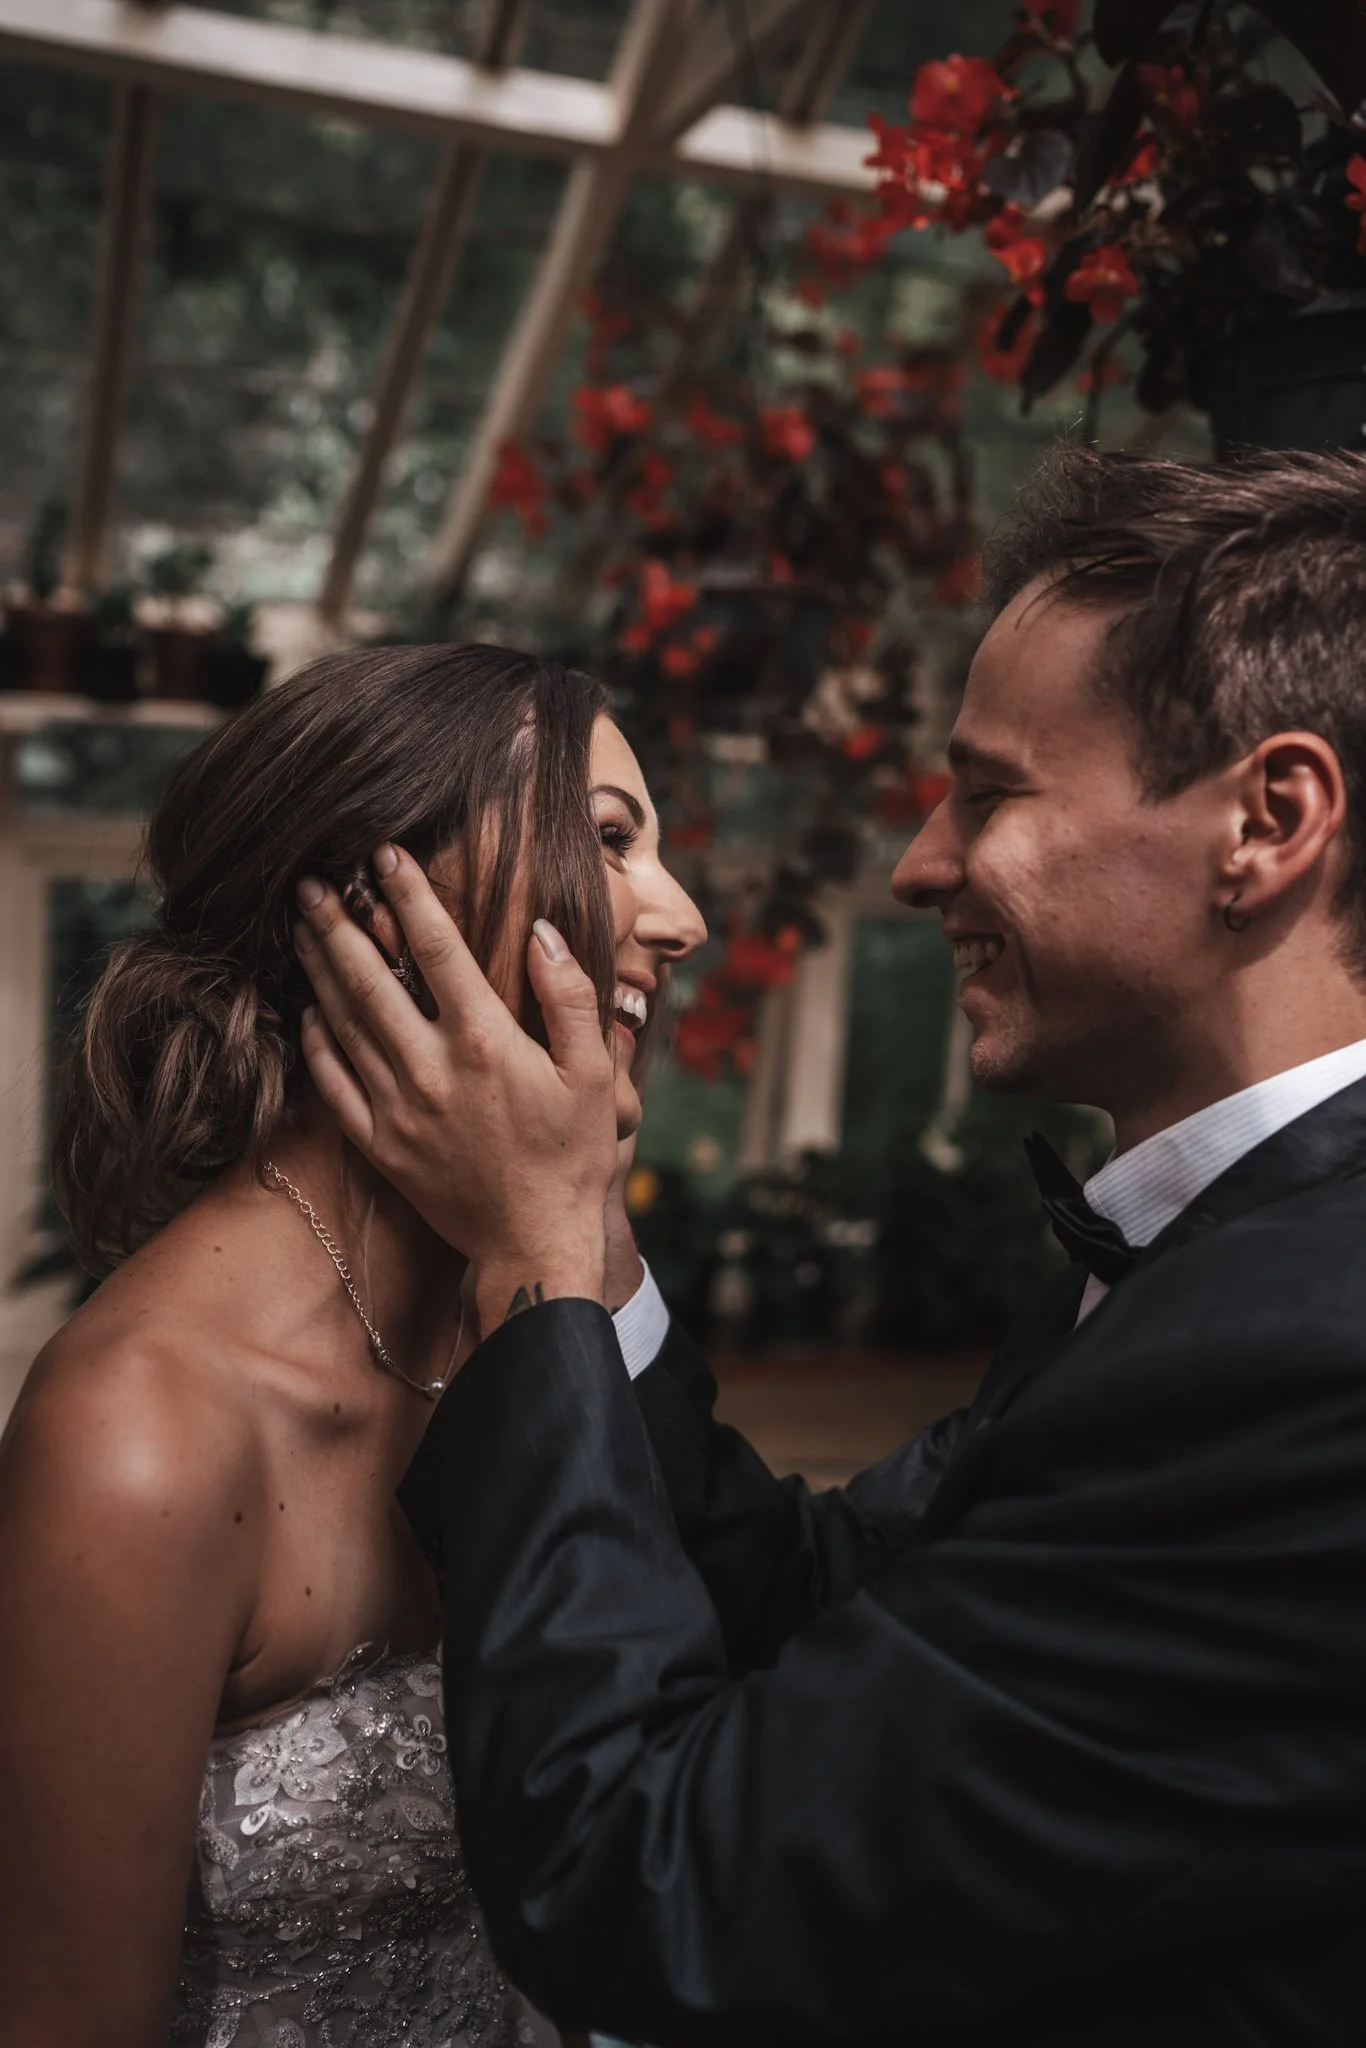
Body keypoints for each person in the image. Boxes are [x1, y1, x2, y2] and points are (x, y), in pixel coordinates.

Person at [294, 444, 1366, 2048]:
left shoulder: (1304, 1341)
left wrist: (525, 1272)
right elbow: (833, 1595)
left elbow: (649, 1893)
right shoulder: (1223, 1256)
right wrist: (581, 1232)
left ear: (1265, 822)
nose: (918, 862)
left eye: (990, 792)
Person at [0, 643, 705, 2048]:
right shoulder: (141, 1431)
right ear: (385, 910)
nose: (678, 918)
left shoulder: (546, 1324)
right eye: (611, 842)